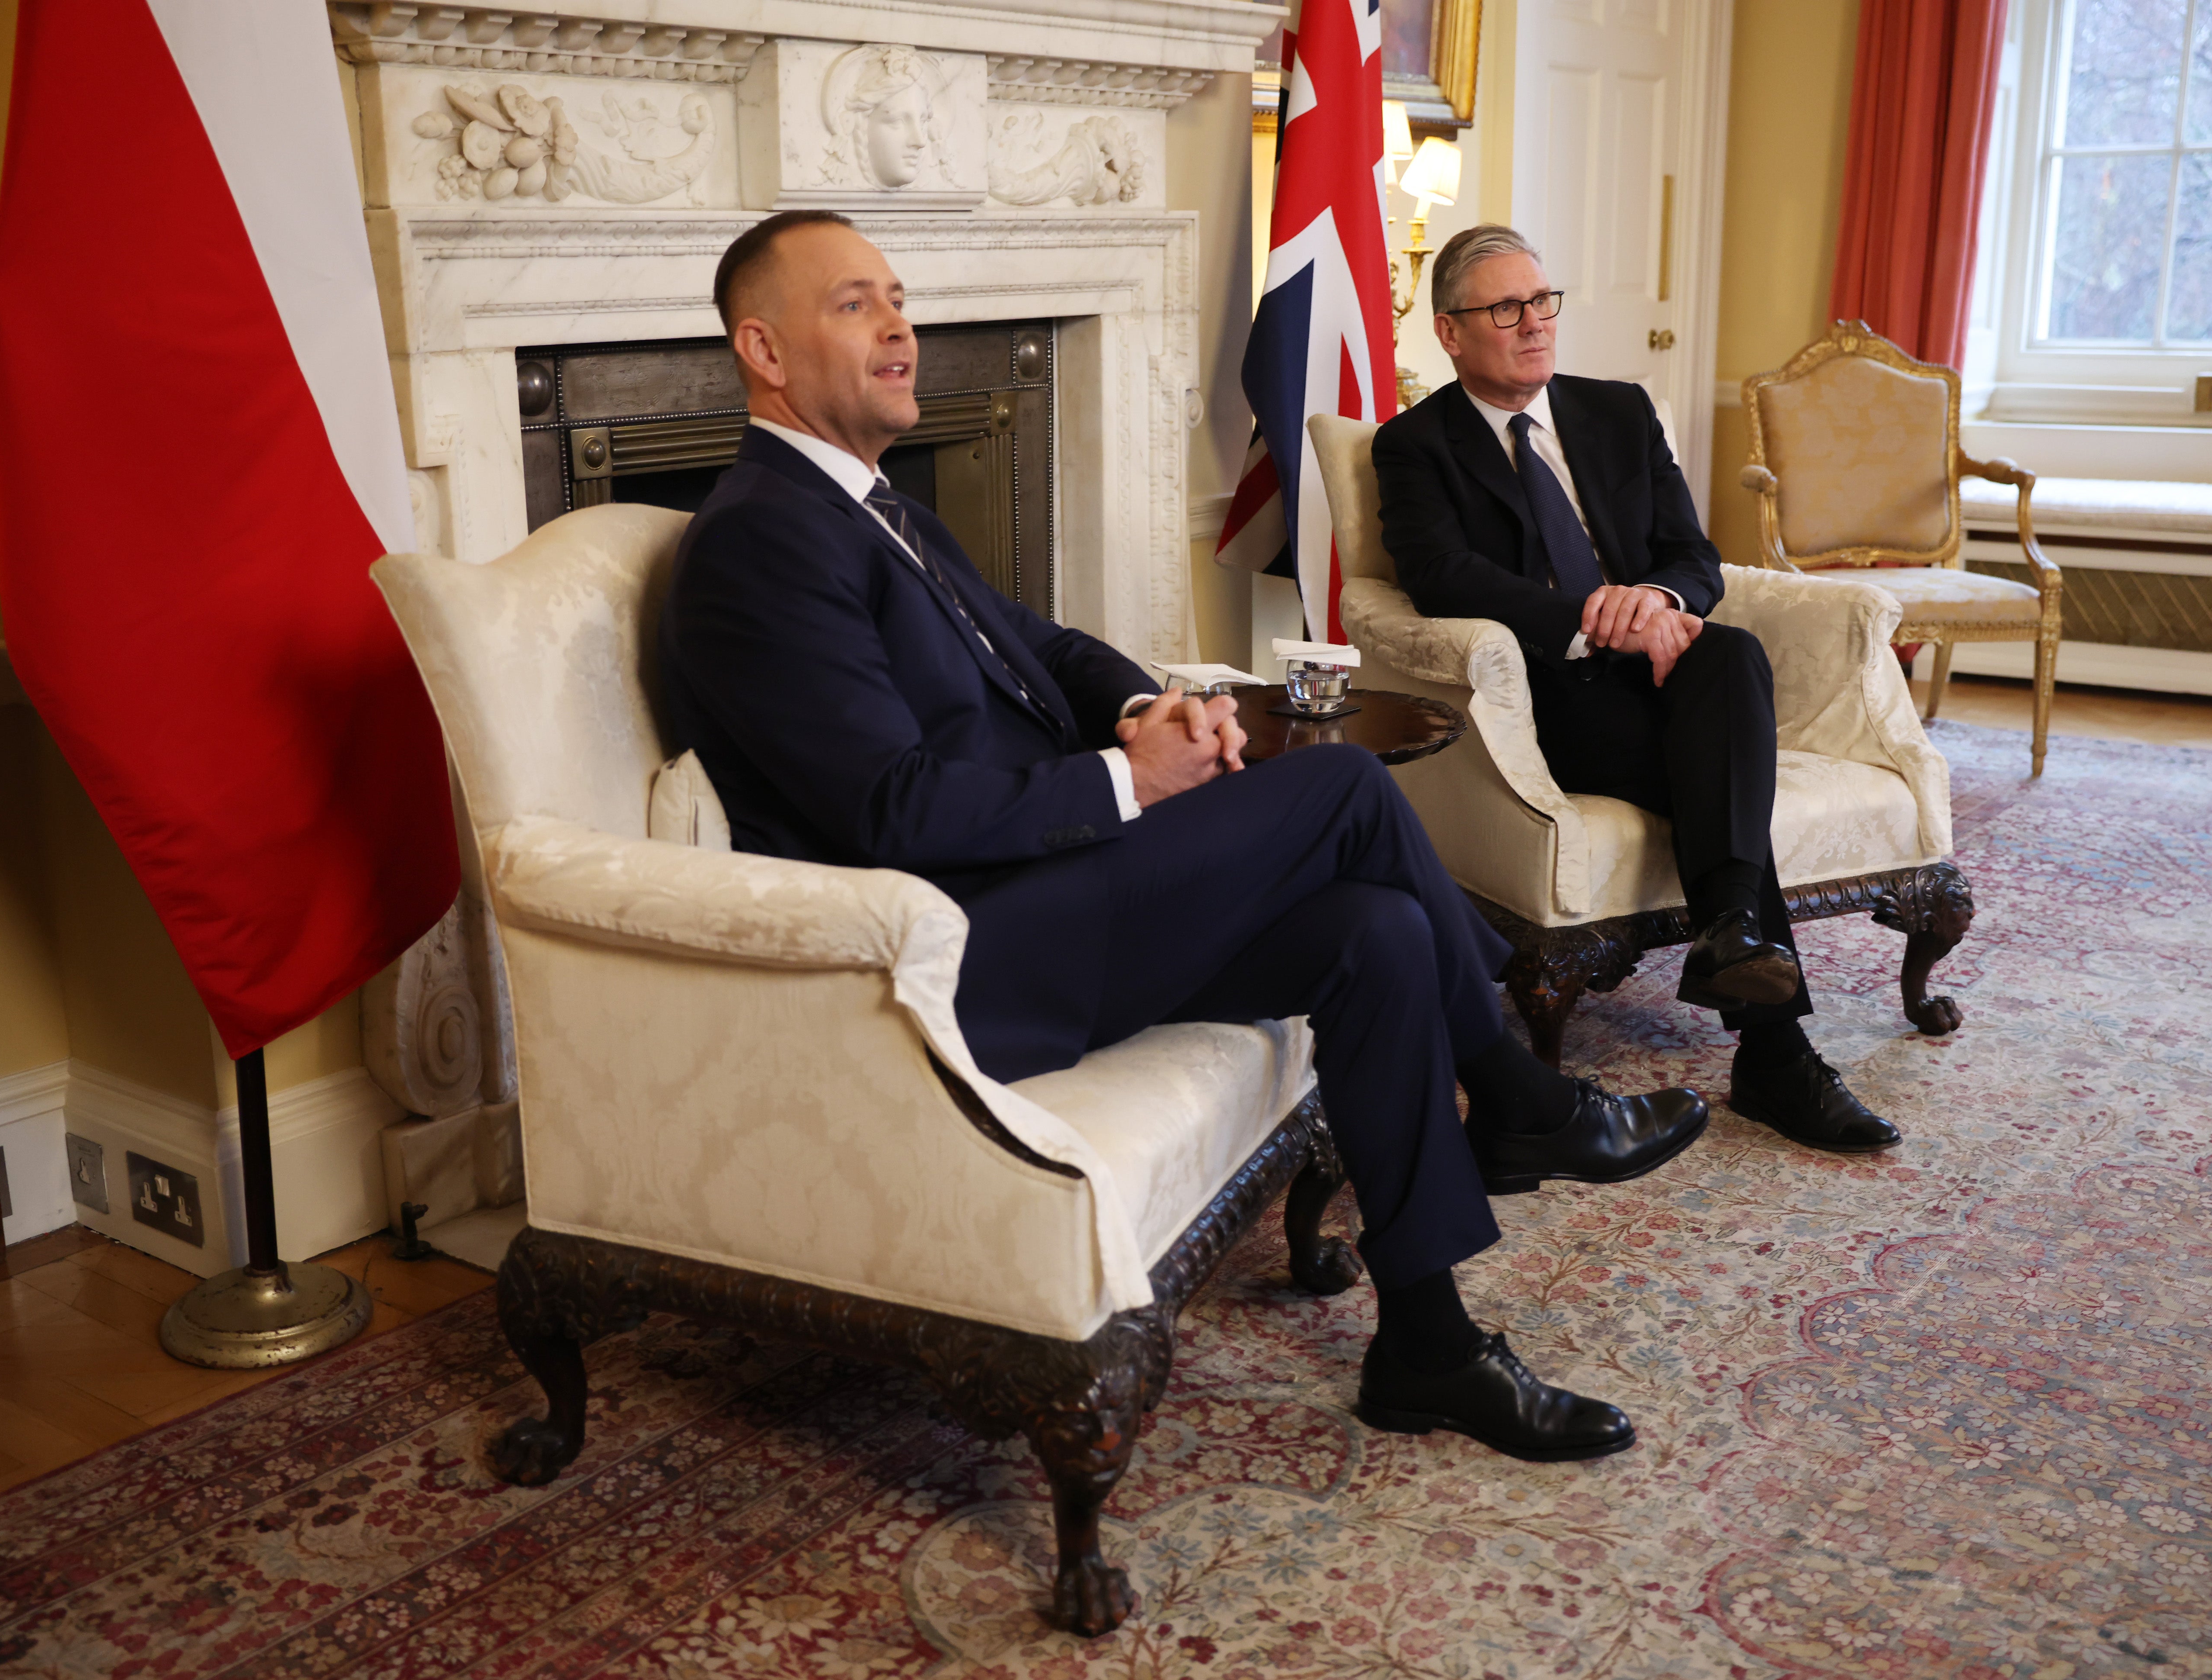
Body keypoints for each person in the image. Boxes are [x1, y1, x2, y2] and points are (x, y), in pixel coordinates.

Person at [659, 210, 1711, 1463]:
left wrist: (1135, 706)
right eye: (855, 305)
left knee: (1373, 931)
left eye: (900, 296)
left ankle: (1425, 1342)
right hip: (952, 950)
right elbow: (886, 810)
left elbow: (1034, 644)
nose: (900, 326)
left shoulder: (875, 502)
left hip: (1044, 893)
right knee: (1339, 789)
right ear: (762, 349)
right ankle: (1526, 1095)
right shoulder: (759, 538)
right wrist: (1126, 780)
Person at [1371, 223, 1900, 1153]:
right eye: (1506, 308)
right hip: (1551, 696)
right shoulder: (1415, 445)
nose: (1535, 323)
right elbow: (1443, 576)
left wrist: (1657, 601)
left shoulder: (1618, 411)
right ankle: (1774, 1052)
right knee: (1719, 760)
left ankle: (1736, 928)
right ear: (1450, 332)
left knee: (1729, 653)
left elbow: (1692, 554)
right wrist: (1596, 614)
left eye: (1543, 301)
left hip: (1668, 665)